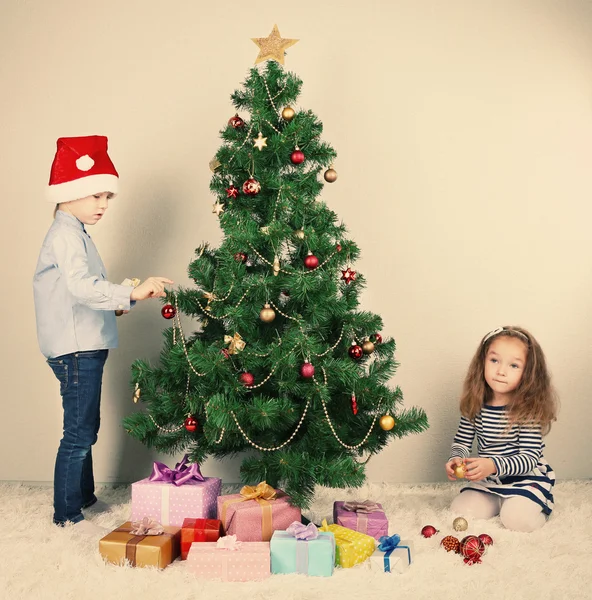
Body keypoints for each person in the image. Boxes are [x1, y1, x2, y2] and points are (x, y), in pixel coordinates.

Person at [33, 135, 173, 534]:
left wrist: (119, 301)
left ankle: (84, 497)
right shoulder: (65, 235)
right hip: (77, 349)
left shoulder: (73, 233)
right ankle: (66, 513)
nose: (103, 206)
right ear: (70, 193)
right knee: (78, 432)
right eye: (96, 196)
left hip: (83, 343)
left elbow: (74, 290)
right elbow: (80, 286)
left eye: (107, 197)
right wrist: (129, 291)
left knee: (86, 426)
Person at [445, 326, 558, 532]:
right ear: (482, 362)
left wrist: (493, 464)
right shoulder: (476, 403)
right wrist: (456, 459)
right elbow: (462, 441)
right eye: (494, 360)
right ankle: (499, 501)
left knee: (517, 521)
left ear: (528, 373)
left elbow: (529, 457)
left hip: (525, 479)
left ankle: (533, 502)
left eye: (514, 365)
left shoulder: (526, 410)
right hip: (489, 480)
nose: (501, 371)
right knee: (459, 510)